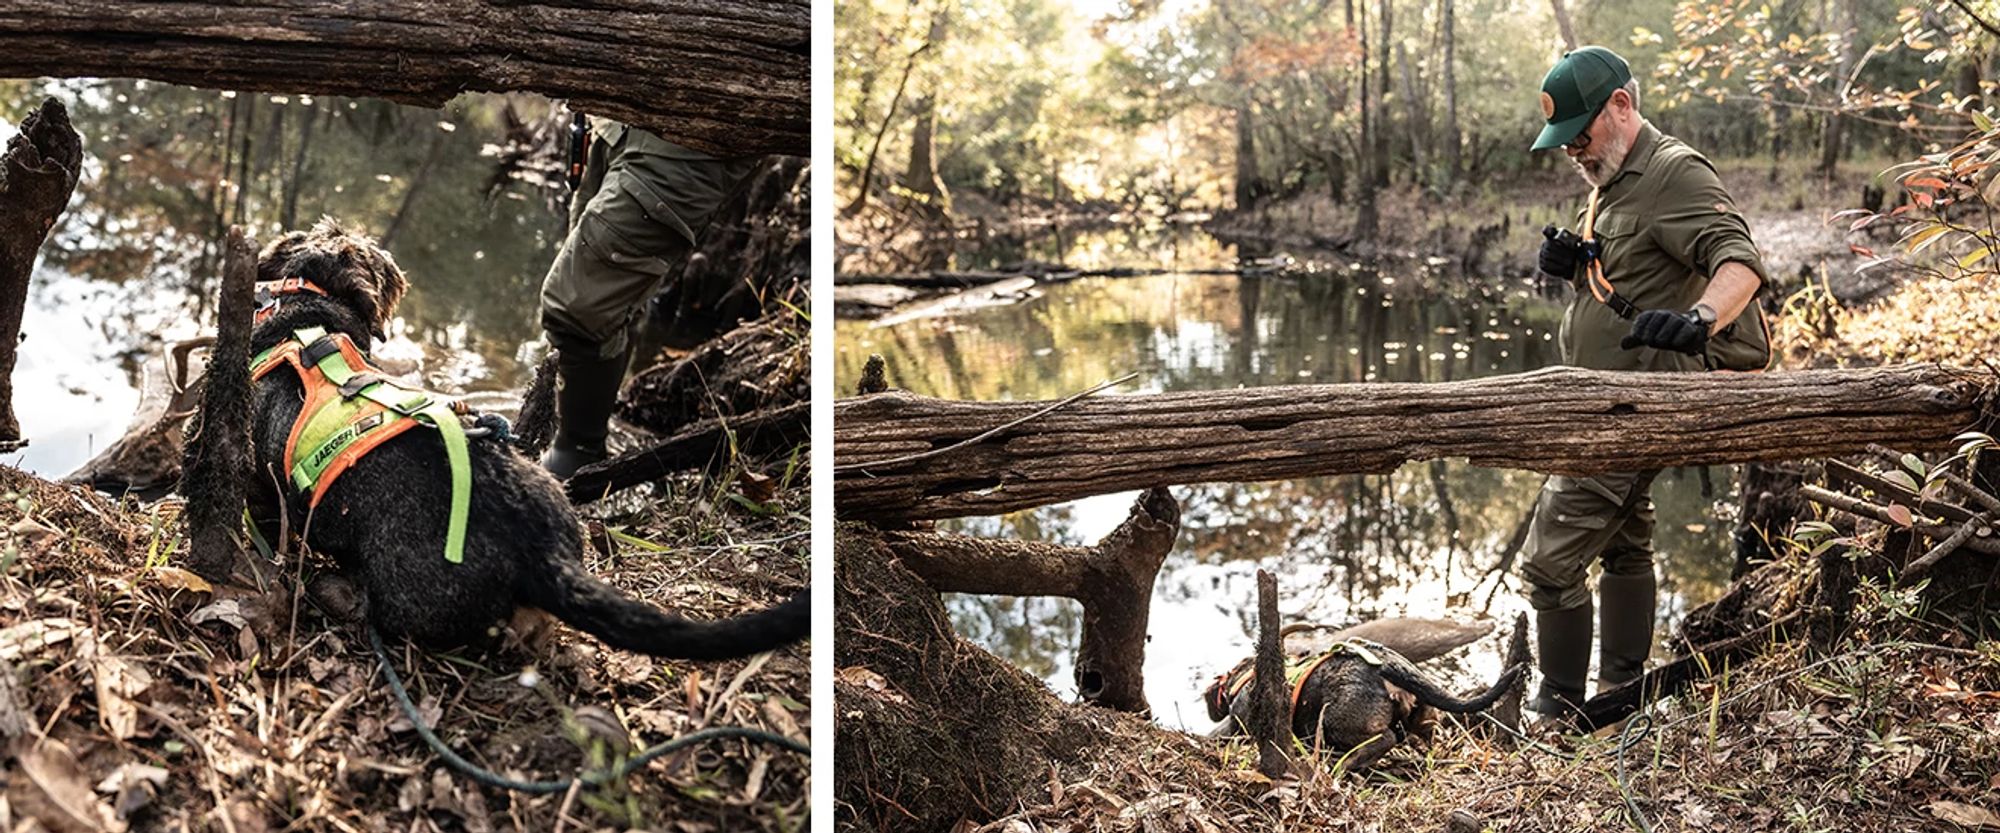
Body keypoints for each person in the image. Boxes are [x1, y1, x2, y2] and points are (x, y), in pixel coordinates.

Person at [1524, 45, 1772, 717]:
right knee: (1626, 538)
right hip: (1606, 396)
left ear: (1621, 106)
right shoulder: (1613, 174)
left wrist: (1700, 319)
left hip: (1633, 405)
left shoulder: (1672, 173)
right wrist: (1576, 265)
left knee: (1549, 564)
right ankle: (1621, 695)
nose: (1572, 148)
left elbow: (1741, 262)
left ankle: (1558, 710)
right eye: (1564, 140)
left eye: (1580, 132)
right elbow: (1634, 274)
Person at [538, 117, 758, 477]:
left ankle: (577, 458)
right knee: (611, 297)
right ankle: (577, 443)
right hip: (618, 120)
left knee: (579, 307)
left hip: (691, 133)